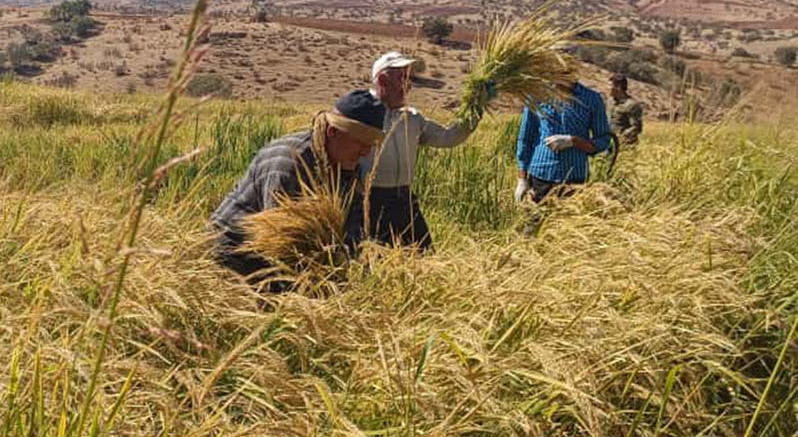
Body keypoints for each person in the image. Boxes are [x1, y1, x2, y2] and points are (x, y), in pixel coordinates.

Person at [209, 89, 386, 283]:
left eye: (371, 144)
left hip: (285, 254)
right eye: (361, 142)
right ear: (332, 132)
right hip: (232, 250)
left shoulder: (347, 164)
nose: (366, 151)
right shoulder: (290, 162)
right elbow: (279, 240)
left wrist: (355, 269)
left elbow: (353, 227)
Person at [358, 51, 491, 251]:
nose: (408, 85)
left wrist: (476, 106)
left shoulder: (412, 118)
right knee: (375, 259)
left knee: (424, 258)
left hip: (404, 201)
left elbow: (449, 137)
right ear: (383, 80)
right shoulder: (361, 114)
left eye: (408, 78)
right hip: (369, 203)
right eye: (401, 78)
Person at [515, 76, 612, 203]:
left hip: (574, 179)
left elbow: (603, 140)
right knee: (534, 221)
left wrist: (574, 141)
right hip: (540, 176)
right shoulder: (538, 95)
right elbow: (525, 138)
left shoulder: (592, 99)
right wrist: (522, 180)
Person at [609, 72, 644, 145]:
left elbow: (637, 127)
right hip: (611, 145)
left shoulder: (632, 105)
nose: (608, 88)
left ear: (618, 87)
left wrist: (621, 137)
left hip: (626, 146)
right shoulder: (611, 103)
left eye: (611, 85)